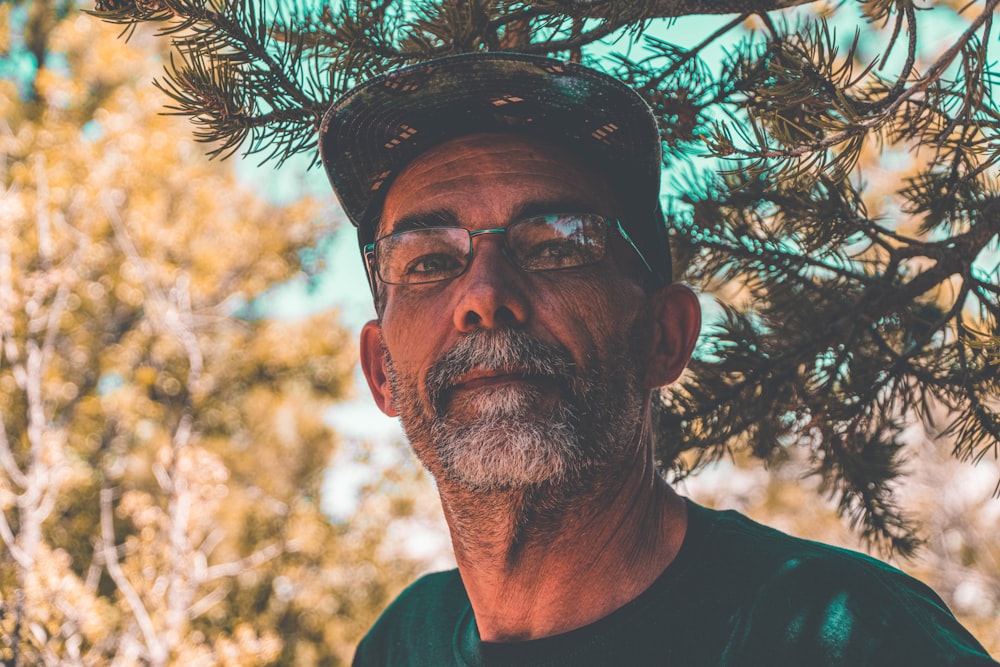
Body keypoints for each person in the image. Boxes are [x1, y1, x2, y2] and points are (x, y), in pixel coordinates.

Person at [319, 52, 997, 666]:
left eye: (556, 244)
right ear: (382, 371)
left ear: (663, 336)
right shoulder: (403, 643)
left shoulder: (847, 635)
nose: (486, 295)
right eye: (431, 260)